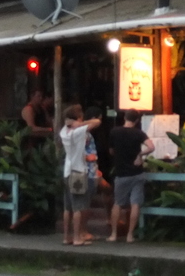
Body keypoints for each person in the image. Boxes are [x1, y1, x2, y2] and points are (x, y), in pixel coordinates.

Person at [110, 109, 155, 243]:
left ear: (125, 117)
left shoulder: (114, 131)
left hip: (121, 172)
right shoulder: (138, 133)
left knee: (118, 203)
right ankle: (130, 235)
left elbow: (111, 150)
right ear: (137, 120)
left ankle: (113, 234)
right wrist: (140, 155)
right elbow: (151, 147)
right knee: (135, 204)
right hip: (137, 172)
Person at [60, 104, 101, 246]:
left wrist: (75, 123)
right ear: (77, 118)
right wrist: (80, 124)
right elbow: (97, 122)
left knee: (67, 208)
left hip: (67, 171)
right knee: (78, 207)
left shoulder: (64, 131)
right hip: (78, 171)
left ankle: (66, 237)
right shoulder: (78, 132)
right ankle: (77, 237)